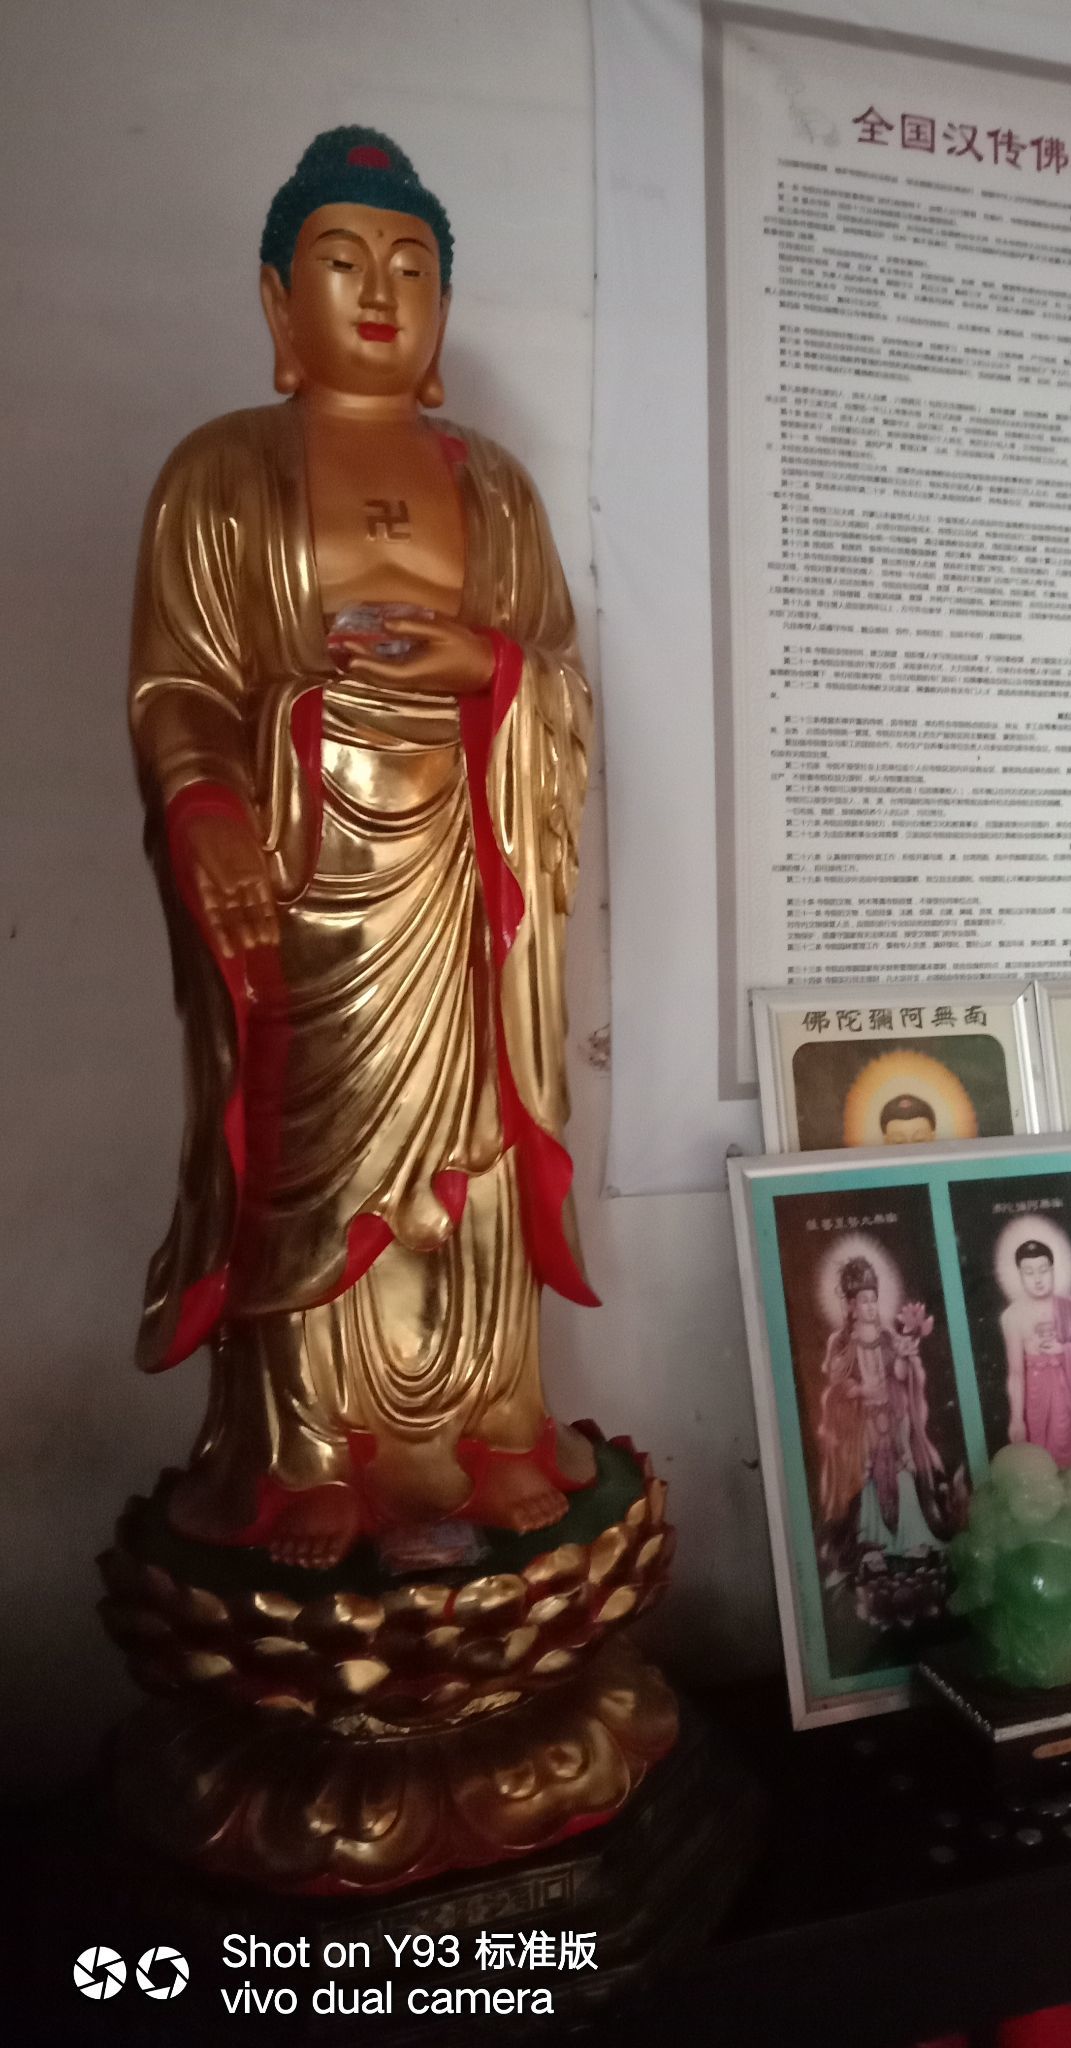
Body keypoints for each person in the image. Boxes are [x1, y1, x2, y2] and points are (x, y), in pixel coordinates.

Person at [130, 129, 599, 1568]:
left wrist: (494, 671)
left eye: (412, 267)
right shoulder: (220, 472)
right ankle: (309, 1449)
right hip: (306, 868)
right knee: (308, 1157)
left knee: (478, 1146)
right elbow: (178, 685)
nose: (382, 293)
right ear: (281, 303)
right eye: (343, 263)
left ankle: (490, 1426)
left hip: (465, 863)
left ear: (444, 307)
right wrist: (206, 803)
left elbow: (564, 677)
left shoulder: (497, 485)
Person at [815, 1258, 946, 1575]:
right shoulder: (842, 1342)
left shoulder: (887, 1337)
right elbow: (836, 1381)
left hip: (892, 1415)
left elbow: (899, 1375)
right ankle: (872, 1541)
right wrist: (860, 1390)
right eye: (864, 1301)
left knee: (902, 1470)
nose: (871, 1307)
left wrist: (905, 1357)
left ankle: (912, 1536)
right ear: (851, 1305)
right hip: (862, 1421)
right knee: (868, 1475)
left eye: (874, 1300)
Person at [1000, 1240, 1071, 1470]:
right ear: (1020, 1275)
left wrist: (1065, 1350)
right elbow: (1016, 1373)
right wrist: (1016, 1419)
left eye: (1043, 1270)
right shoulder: (1012, 1316)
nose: (1037, 1279)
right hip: (1037, 1398)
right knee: (1043, 1461)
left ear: (1053, 1269)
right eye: (1029, 1272)